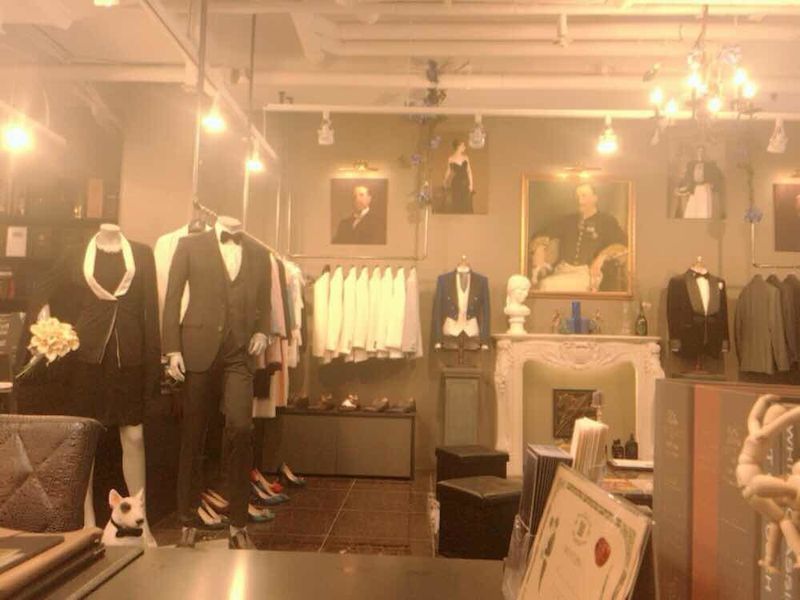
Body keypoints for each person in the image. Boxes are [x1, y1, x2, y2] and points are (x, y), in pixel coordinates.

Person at [529, 183, 627, 292]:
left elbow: (621, 244)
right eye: (577, 196)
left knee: (546, 286)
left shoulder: (607, 221)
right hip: (563, 270)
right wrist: (539, 248)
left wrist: (601, 257)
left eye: (584, 196)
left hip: (589, 273)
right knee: (545, 285)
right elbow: (543, 233)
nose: (580, 200)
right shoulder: (568, 220)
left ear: (595, 198)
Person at [444, 140, 474, 213]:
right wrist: (444, 181)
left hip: (465, 183)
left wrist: (471, 184)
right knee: (457, 203)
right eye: (463, 145)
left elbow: (469, 171)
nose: (464, 147)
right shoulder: (450, 158)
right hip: (456, 183)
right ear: (458, 146)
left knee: (465, 203)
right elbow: (448, 171)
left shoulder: (466, 157)